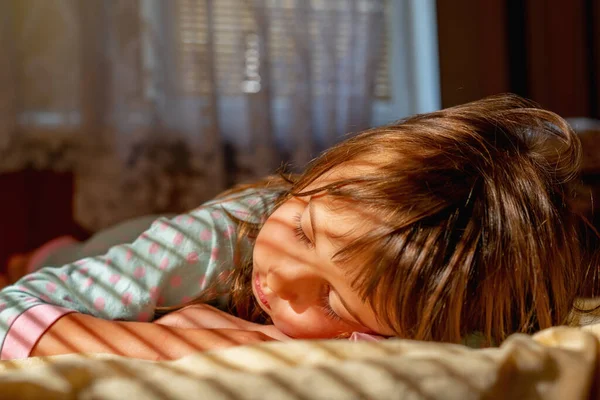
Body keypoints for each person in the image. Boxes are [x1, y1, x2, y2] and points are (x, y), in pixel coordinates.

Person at [0, 94, 596, 361]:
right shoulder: (225, 236)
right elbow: (12, 313)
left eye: (334, 301)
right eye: (306, 233)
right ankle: (44, 251)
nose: (283, 282)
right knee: (69, 261)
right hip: (151, 244)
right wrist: (229, 341)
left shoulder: (435, 311)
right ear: (322, 171)